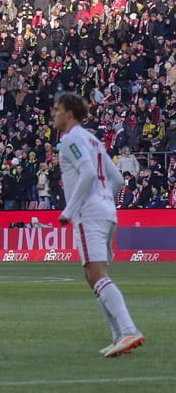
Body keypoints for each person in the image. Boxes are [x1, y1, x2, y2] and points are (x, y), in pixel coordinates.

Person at [52, 92, 145, 357]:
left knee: (96, 274)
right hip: (105, 212)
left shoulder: (71, 139)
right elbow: (115, 178)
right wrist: (105, 200)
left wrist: (70, 209)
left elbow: (89, 172)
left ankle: (128, 330)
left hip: (88, 213)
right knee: (93, 274)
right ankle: (119, 337)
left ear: (69, 113)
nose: (53, 114)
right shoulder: (93, 140)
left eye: (57, 109)